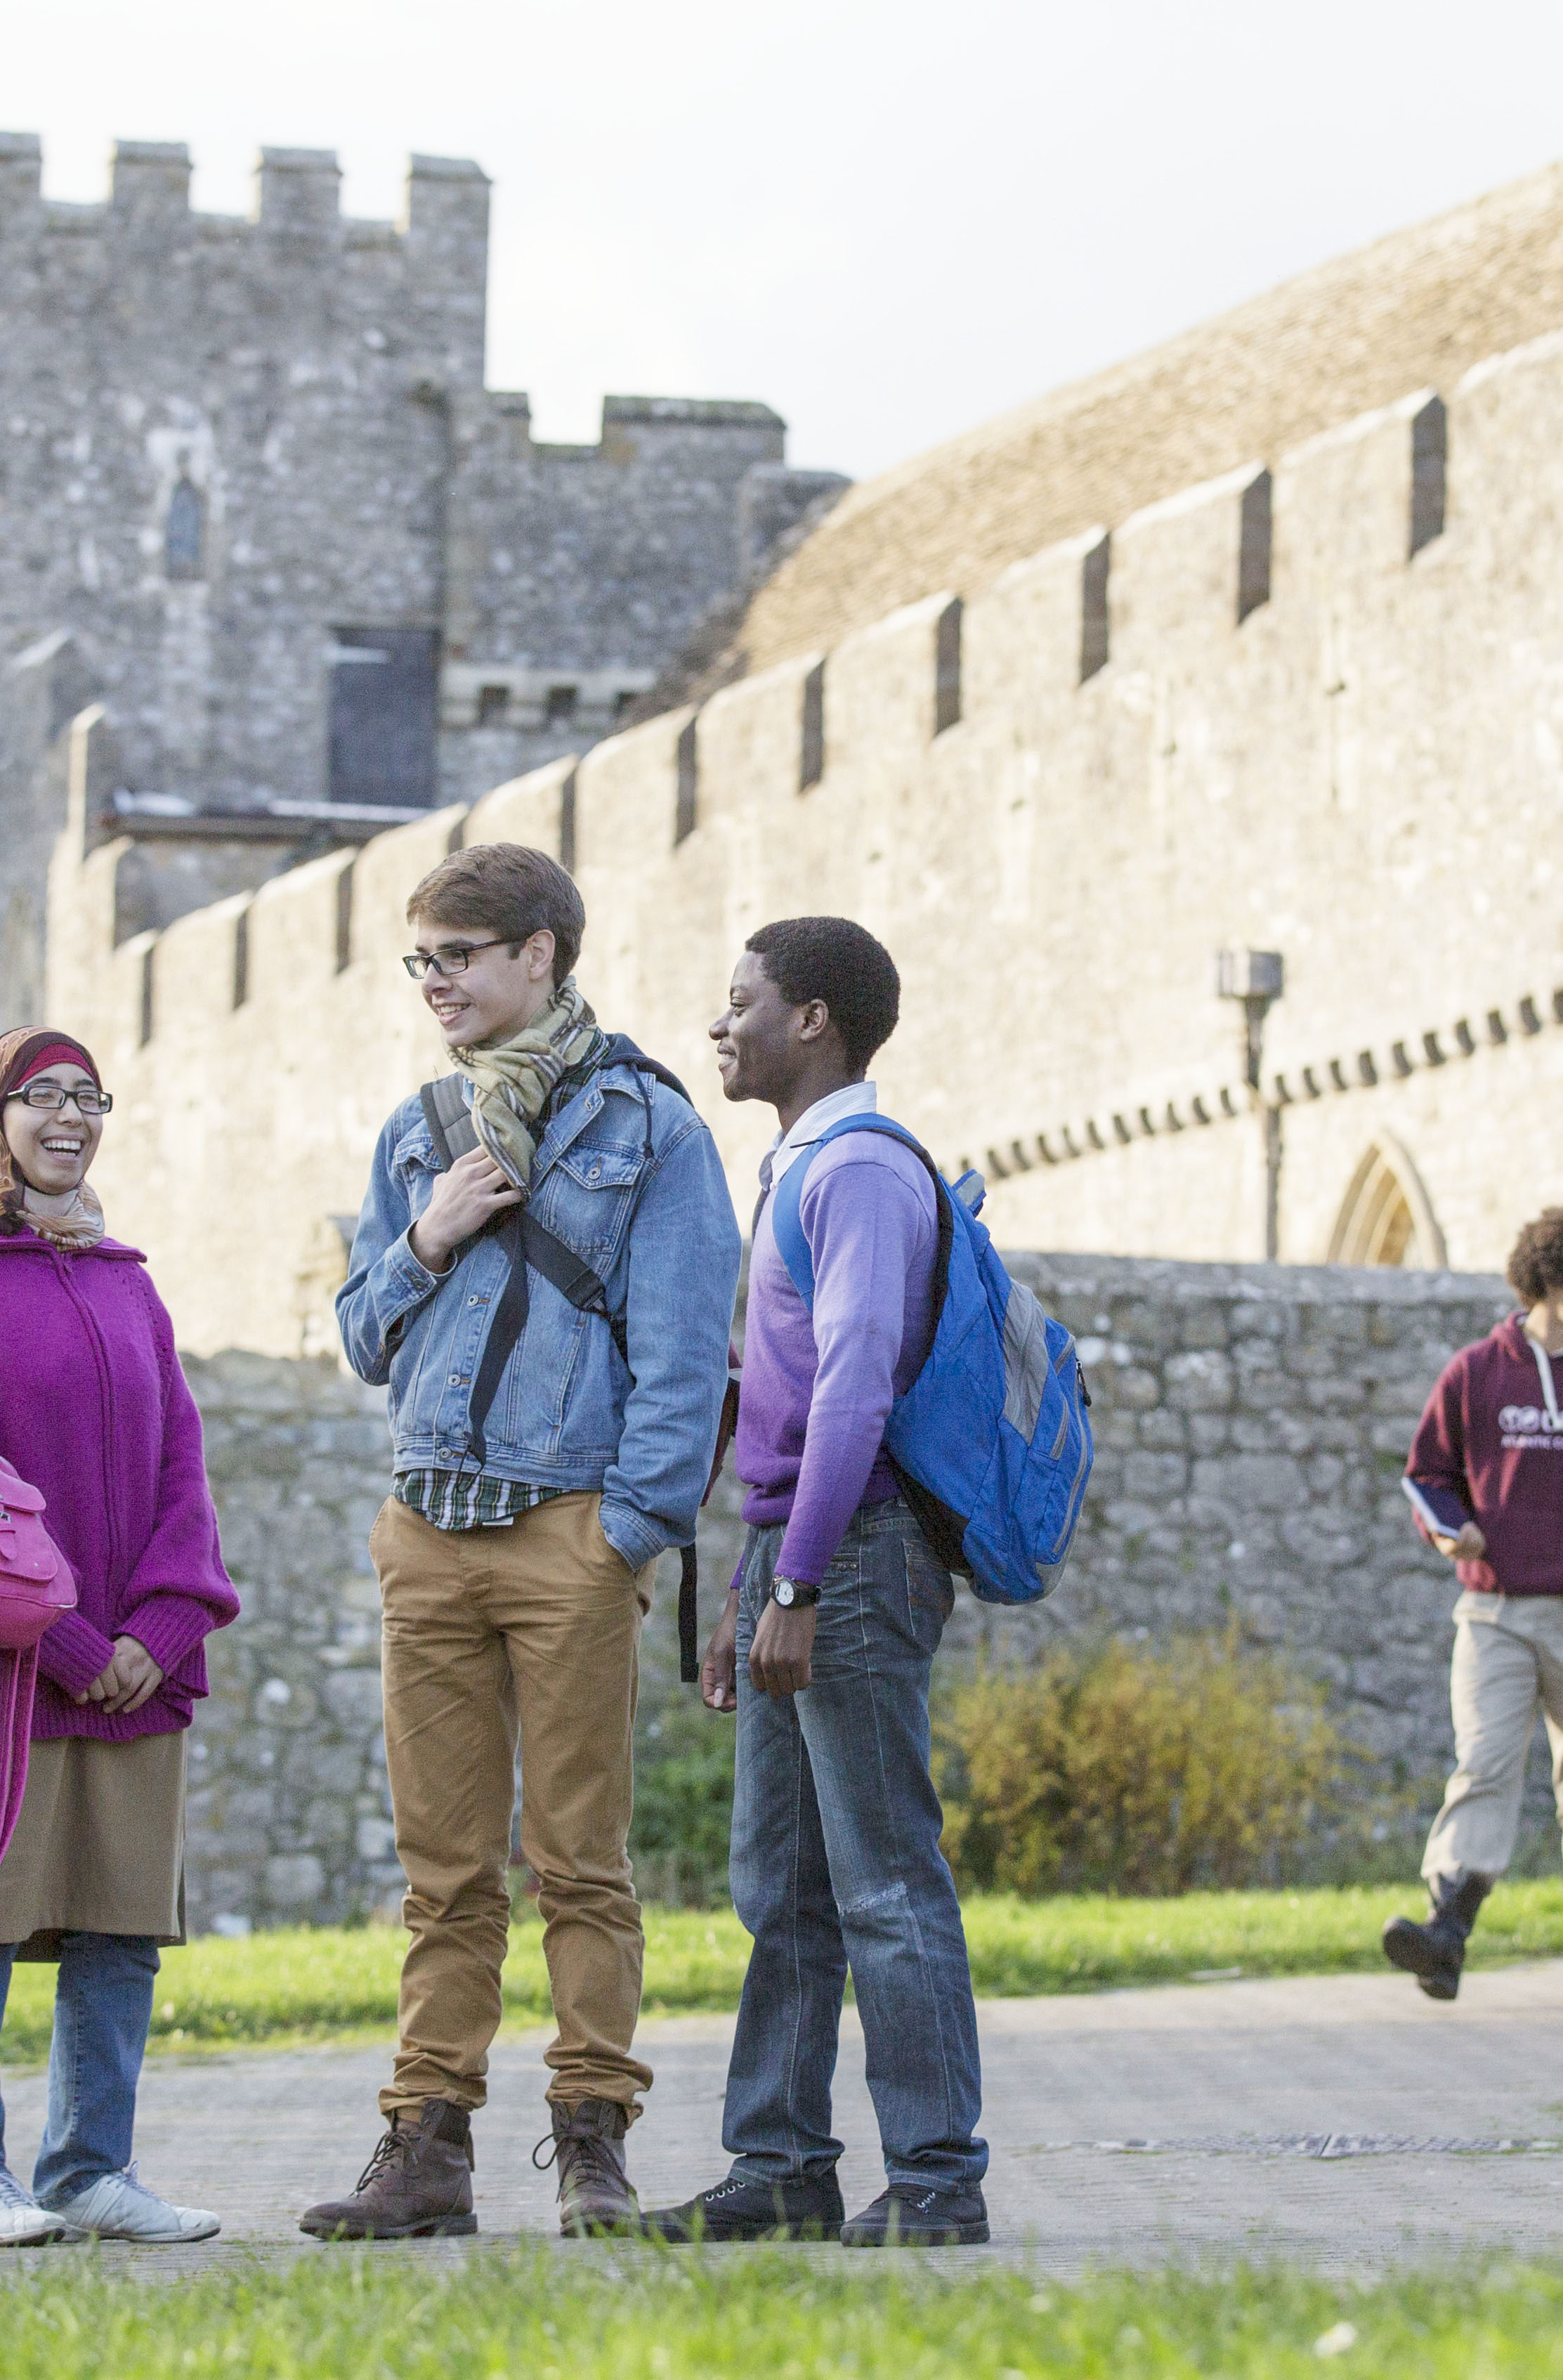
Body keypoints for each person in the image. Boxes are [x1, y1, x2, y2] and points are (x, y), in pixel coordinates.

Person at [301, 844, 739, 2242]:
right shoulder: (418, 1126)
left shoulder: (652, 1126)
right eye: (421, 959)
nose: (435, 982)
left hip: (568, 1533)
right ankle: (424, 2148)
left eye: (462, 955)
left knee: (579, 1862)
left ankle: (594, 2139)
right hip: (427, 1526)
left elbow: (685, 1352)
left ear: (541, 953)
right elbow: (364, 1339)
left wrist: (626, 1536)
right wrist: (421, 1240)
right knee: (442, 1871)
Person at [649, 917, 986, 2251]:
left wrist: (792, 1582)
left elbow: (853, 1380)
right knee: (780, 1884)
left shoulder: (857, 1167)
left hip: (851, 1560)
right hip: (800, 1559)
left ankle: (938, 2177)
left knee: (885, 1879)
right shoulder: (798, 1162)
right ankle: (780, 2164)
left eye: (739, 1002)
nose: (719, 1024)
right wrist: (751, 1586)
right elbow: (788, 1417)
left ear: (814, 1020)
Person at [0, 1028, 244, 2248]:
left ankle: (93, 2164)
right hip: (10, 1658)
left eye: (87, 1096)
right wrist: (56, 1632)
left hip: (136, 1664)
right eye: (39, 1094)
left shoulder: (127, 1280)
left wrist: (161, 1619)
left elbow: (179, 1465)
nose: (68, 1115)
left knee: (121, 1918)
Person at [1380, 1205, 1563, 2005]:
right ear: (1552, 1276)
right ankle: (1447, 1934)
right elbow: (1427, 1476)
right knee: (1481, 1765)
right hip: (1496, 1611)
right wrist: (1451, 1533)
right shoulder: (1478, 1371)